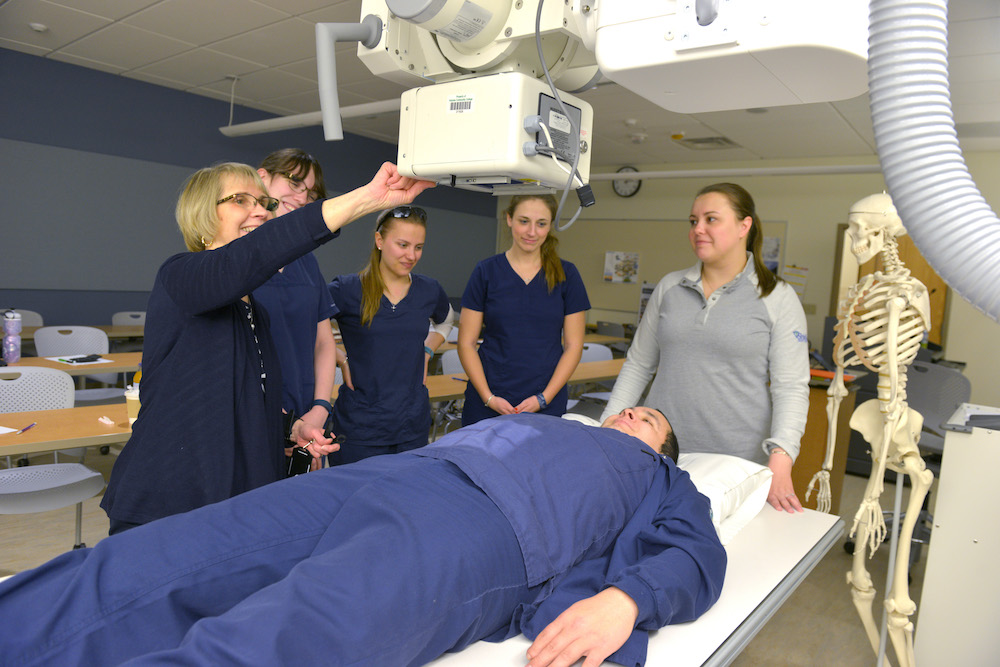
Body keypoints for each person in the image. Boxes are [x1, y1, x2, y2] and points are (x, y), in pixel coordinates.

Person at [0, 408, 725, 667]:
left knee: (282, 636)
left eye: (651, 418)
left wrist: (628, 600)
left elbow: (700, 556)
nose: (634, 413)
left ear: (664, 450)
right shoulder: (561, 422)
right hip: (395, 474)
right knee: (161, 556)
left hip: (485, 530)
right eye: (632, 409)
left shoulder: (659, 479)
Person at [99, 161, 434, 533]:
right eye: (240, 200)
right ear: (202, 214)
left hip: (233, 507)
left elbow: (243, 397)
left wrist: (290, 429)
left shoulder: (255, 312)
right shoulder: (181, 276)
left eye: (264, 203)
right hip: (167, 507)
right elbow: (254, 255)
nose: (260, 210)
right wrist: (367, 199)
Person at [600, 183, 810, 513]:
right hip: (657, 453)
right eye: (693, 220)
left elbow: (791, 387)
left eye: (711, 219)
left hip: (734, 463)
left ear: (744, 226)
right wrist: (607, 426)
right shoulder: (670, 287)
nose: (698, 229)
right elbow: (638, 364)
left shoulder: (778, 298)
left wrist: (782, 458)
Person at [326, 205, 453, 463]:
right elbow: (306, 322)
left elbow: (446, 320)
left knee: (401, 500)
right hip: (360, 427)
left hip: (411, 425)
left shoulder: (429, 290)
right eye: (403, 245)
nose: (411, 255)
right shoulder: (348, 289)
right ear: (380, 240)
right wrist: (338, 356)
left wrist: (428, 350)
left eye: (418, 247)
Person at [458, 194, 590, 426]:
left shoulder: (567, 274)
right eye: (523, 221)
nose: (531, 232)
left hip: (545, 402)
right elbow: (466, 343)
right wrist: (488, 398)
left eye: (541, 224)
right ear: (509, 219)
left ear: (550, 227)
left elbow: (573, 346)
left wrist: (544, 398)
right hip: (488, 400)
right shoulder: (486, 271)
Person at [251, 149, 338, 459]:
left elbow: (324, 343)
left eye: (310, 192)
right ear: (263, 178)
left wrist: (320, 408)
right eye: (294, 182)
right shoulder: (237, 259)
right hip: (255, 421)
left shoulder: (306, 262)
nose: (302, 197)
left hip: (307, 421)